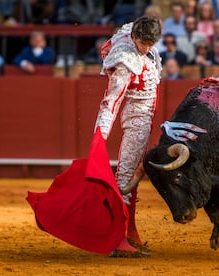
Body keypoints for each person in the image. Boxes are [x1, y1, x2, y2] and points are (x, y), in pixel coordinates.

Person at [94, 16, 162, 257]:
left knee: (131, 176)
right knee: (126, 177)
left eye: (150, 44)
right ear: (134, 37)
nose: (146, 49)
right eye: (142, 44)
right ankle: (117, 239)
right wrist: (100, 137)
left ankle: (130, 233)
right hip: (137, 116)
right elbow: (110, 103)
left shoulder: (137, 35)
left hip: (143, 114)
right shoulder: (125, 61)